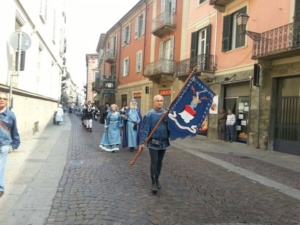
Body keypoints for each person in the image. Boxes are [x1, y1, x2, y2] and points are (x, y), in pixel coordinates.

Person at [139, 95, 170, 194]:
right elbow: (145, 130)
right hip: (153, 142)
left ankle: (157, 179)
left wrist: (168, 118)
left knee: (160, 162)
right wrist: (142, 142)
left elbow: (171, 126)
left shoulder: (166, 114)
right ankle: (153, 183)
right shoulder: (149, 115)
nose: (160, 102)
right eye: (158, 101)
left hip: (164, 141)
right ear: (154, 102)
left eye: (161, 101)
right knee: (154, 161)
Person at [0, 92, 20, 197]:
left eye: (4, 99)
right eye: (0, 98)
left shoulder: (10, 115)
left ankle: (0, 188)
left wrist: (16, 142)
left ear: (7, 101)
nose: (2, 100)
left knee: (0, 166)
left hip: (4, 144)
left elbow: (14, 129)